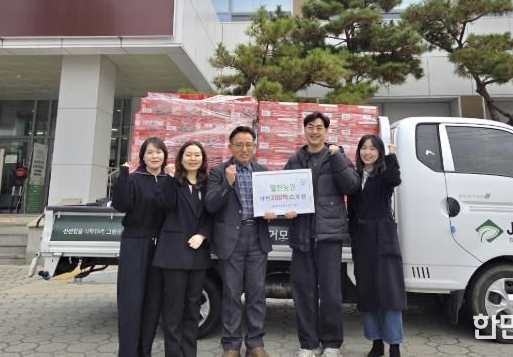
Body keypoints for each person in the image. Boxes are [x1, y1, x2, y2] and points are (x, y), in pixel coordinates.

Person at [283, 112, 360, 357]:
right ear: (304, 130)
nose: (314, 131)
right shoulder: (295, 159)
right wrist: (286, 209)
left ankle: (332, 344)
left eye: (319, 127)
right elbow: (283, 192)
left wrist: (337, 158)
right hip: (302, 235)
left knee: (330, 293)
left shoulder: (336, 156)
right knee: (303, 292)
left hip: (328, 236)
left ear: (326, 132)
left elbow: (351, 186)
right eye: (310, 127)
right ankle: (308, 344)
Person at [204, 126, 272, 357]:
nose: (244, 149)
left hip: (257, 238)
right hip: (231, 239)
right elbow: (210, 205)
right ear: (230, 147)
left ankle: (255, 344)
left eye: (249, 144)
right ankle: (231, 346)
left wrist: (272, 213)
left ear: (254, 147)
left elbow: (271, 204)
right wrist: (228, 184)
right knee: (232, 294)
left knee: (256, 294)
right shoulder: (219, 172)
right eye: (239, 145)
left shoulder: (263, 172)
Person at [153, 140, 212, 357]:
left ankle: (189, 352)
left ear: (203, 159)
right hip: (174, 254)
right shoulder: (172, 181)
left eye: (197, 155)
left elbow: (212, 214)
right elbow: (164, 204)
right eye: (188, 154)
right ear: (181, 158)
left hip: (198, 255)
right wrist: (169, 179)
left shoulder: (207, 184)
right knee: (173, 308)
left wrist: (203, 234)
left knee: (193, 306)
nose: (193, 159)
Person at [348, 135, 405, 357]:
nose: (367, 152)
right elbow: (351, 210)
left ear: (379, 152)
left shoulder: (384, 174)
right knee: (367, 291)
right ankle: (376, 342)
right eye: (364, 148)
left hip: (383, 236)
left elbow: (395, 179)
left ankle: (395, 345)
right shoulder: (354, 176)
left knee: (390, 292)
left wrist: (392, 157)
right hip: (362, 238)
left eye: (372, 149)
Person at [112, 137, 168, 357]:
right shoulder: (134, 179)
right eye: (150, 152)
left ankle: (145, 351)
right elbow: (121, 205)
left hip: (160, 246)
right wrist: (123, 177)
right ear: (143, 156)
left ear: (165, 155)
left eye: (159, 152)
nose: (155, 156)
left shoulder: (168, 180)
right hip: (135, 243)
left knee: (153, 303)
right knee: (131, 302)